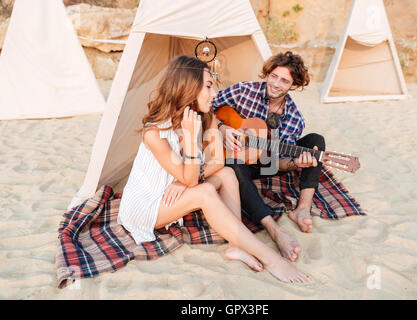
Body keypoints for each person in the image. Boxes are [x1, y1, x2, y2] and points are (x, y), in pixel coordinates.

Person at [117, 55, 311, 283]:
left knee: (228, 173)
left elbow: (218, 163)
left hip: (176, 191)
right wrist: (189, 144)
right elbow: (191, 180)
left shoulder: (208, 117)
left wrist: (184, 178)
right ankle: (272, 259)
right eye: (208, 86)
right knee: (205, 192)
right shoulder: (153, 133)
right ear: (188, 88)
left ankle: (235, 245)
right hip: (146, 206)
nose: (214, 94)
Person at [212, 51, 326, 262]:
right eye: (273, 76)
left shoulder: (293, 117)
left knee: (315, 142)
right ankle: (274, 230)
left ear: (294, 85)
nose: (275, 83)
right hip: (236, 160)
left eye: (284, 81)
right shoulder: (243, 91)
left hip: (267, 163)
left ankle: (302, 210)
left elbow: (277, 162)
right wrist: (222, 128)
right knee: (233, 166)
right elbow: (207, 108)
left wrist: (294, 163)